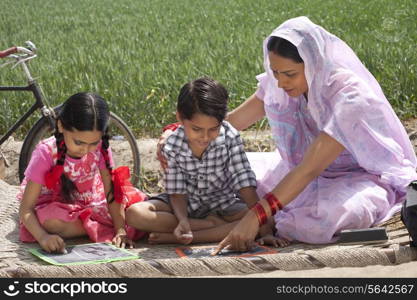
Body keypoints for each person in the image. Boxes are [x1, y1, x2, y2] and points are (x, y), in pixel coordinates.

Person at [159, 17, 417, 252]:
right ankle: (234, 223)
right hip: (296, 171)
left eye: (290, 74)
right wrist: (177, 135)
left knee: (318, 222)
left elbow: (308, 169)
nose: (281, 83)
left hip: (356, 178)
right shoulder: (281, 83)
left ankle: (225, 227)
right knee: (225, 174)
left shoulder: (350, 96)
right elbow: (232, 123)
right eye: (275, 73)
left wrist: (255, 215)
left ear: (313, 62)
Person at [126, 77, 286, 246]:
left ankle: (182, 237)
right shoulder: (172, 144)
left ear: (222, 120)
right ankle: (207, 227)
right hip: (185, 205)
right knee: (135, 214)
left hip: (224, 205)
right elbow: (177, 192)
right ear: (180, 117)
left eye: (213, 129)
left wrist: (264, 229)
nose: (204, 137)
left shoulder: (230, 136)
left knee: (268, 219)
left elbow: (244, 183)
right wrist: (182, 220)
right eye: (196, 129)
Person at [18, 92, 146, 253]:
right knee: (50, 222)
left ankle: (98, 224)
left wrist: (120, 230)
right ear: (60, 125)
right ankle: (99, 226)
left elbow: (112, 193)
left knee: (135, 208)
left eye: (93, 143)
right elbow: (26, 210)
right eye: (78, 142)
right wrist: (43, 237)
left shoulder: (101, 149)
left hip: (90, 200)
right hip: (55, 204)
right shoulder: (46, 153)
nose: (85, 149)